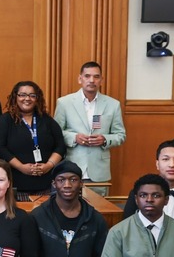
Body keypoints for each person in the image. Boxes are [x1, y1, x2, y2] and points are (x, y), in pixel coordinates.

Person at [53, 62, 126, 193]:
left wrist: (104, 139)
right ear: (80, 79)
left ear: (101, 80)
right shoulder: (64, 103)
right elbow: (55, 133)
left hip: (99, 171)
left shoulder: (113, 104)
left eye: (96, 77)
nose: (92, 80)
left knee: (99, 211)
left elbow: (120, 135)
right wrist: (75, 137)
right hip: (71, 167)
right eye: (87, 76)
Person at [0, 81, 66, 195]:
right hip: (16, 184)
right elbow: (0, 148)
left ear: (37, 99)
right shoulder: (5, 120)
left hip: (46, 183)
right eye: (22, 95)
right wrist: (21, 167)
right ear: (15, 97)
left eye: (32, 95)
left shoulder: (47, 120)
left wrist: (49, 165)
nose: (27, 99)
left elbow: (60, 146)